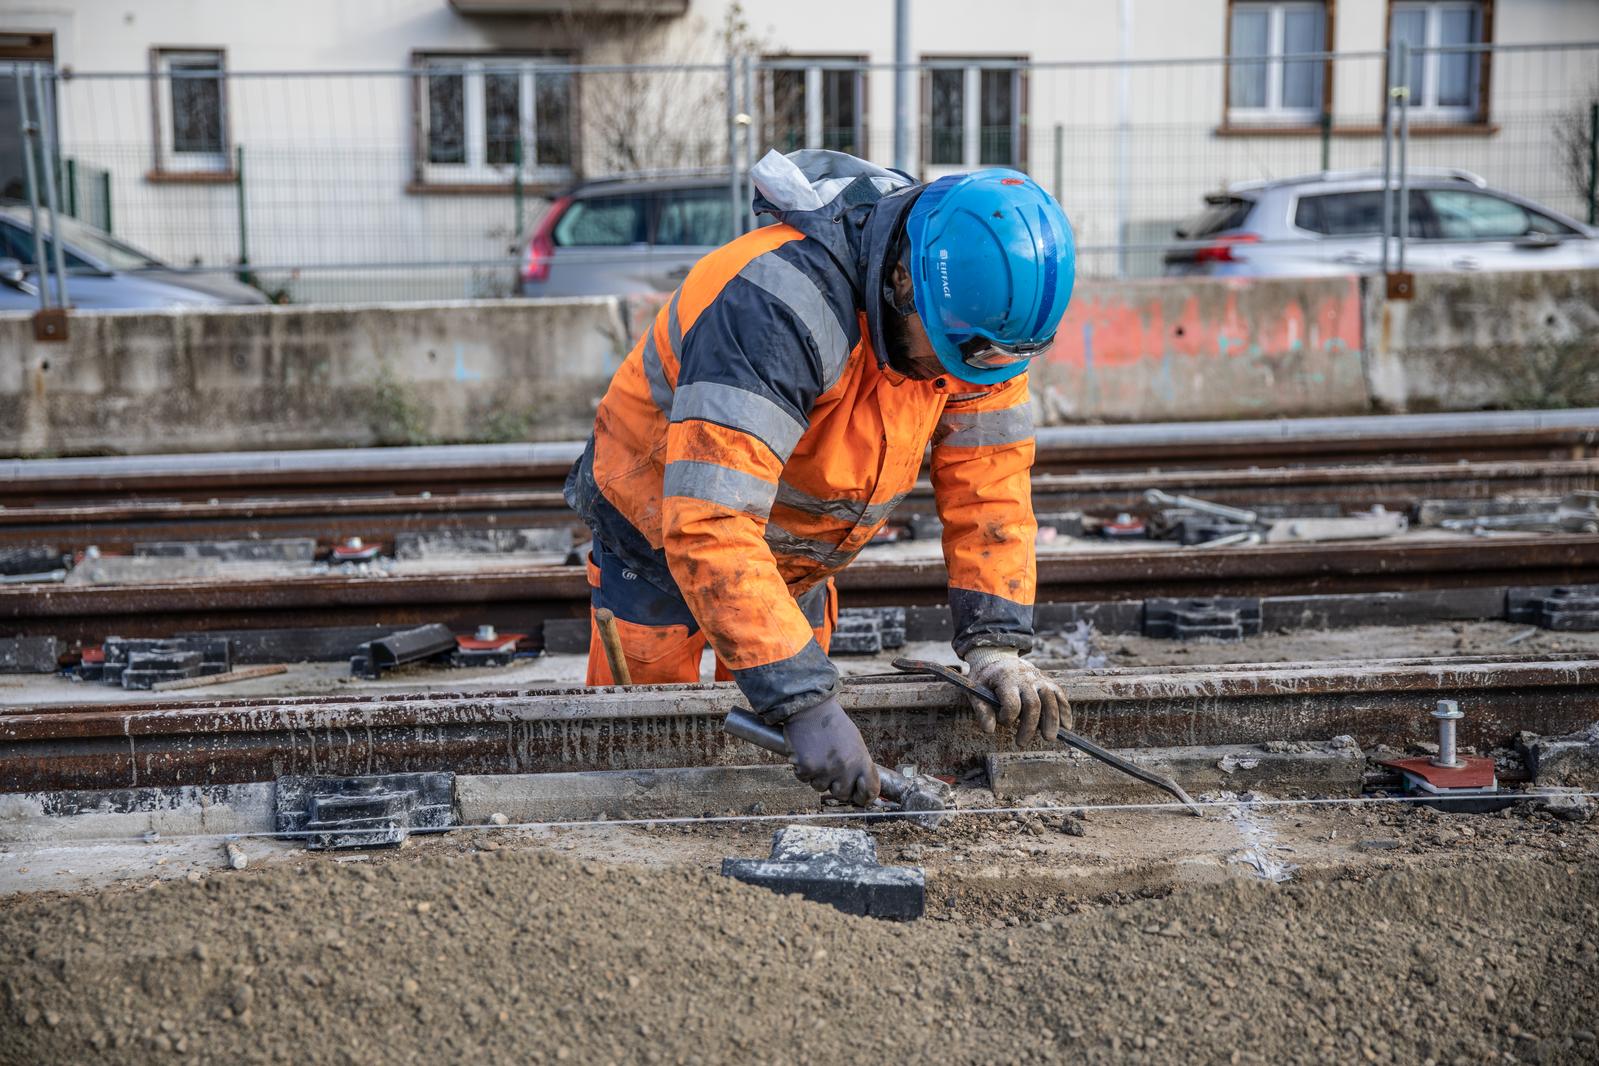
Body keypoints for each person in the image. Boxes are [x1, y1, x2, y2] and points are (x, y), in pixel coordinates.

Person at [565, 149, 1076, 807]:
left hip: (793, 560)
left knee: (782, 773)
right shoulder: (775, 307)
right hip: (657, 526)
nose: (964, 374)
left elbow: (989, 485)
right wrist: (805, 701)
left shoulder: (981, 331)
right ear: (900, 281)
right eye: (953, 355)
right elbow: (709, 520)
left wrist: (997, 644)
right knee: (645, 760)